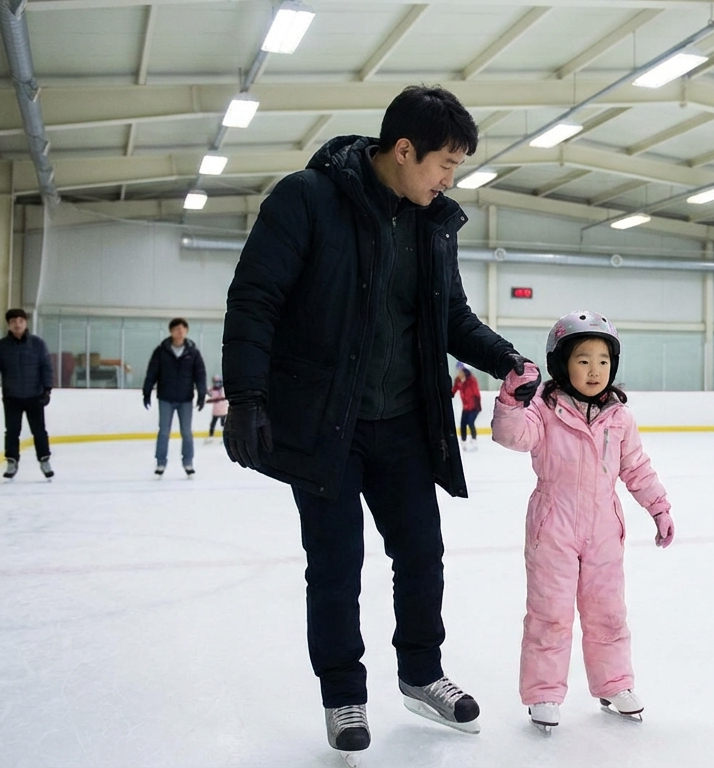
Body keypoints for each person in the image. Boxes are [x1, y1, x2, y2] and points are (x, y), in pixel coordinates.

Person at [220, 85, 537, 762]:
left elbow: (451, 317)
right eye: (445, 163)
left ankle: (421, 674)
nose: (451, 178)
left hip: (402, 422)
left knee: (421, 555)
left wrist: (501, 355)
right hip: (325, 424)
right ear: (403, 150)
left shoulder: (432, 224)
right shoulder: (306, 200)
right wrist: (247, 396)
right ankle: (343, 693)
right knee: (336, 566)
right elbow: (255, 299)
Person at [491, 311, 674, 733]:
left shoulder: (619, 417)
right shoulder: (543, 410)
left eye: (603, 361)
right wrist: (511, 402)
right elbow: (512, 436)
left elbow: (636, 468)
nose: (595, 371)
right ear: (560, 365)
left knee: (607, 612)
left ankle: (614, 684)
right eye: (583, 360)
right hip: (553, 524)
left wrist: (659, 508)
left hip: (604, 528)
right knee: (549, 613)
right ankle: (543, 693)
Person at [0, 308, 54, 480]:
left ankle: (44, 460)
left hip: (35, 396)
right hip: (12, 396)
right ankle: (12, 462)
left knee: (39, 431)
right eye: (13, 321)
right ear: (9, 324)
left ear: (25, 323)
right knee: (12, 431)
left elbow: (46, 367)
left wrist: (47, 389)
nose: (17, 324)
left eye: (20, 321)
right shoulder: (1, 346)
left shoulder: (38, 344)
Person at [142, 318, 206, 477]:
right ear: (171, 331)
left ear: (186, 331)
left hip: (185, 398)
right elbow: (152, 373)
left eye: (183, 329)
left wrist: (202, 393)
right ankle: (161, 463)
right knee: (164, 431)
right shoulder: (161, 351)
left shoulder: (193, 352)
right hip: (165, 397)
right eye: (177, 329)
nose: (180, 331)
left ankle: (188, 462)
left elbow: (200, 374)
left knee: (186, 432)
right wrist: (147, 391)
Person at [452, 362, 482, 451]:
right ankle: (464, 443)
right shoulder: (458, 380)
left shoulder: (471, 380)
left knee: (470, 422)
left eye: (460, 370)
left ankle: (474, 442)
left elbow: (476, 393)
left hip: (474, 407)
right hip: (466, 407)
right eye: (458, 370)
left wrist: (477, 406)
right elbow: (453, 391)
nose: (459, 372)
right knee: (463, 425)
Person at [205, 375, 228, 444]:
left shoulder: (223, 389)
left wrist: (212, 400)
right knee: (213, 424)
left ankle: (225, 437)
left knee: (223, 425)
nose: (217, 384)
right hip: (215, 411)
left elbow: (222, 398)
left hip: (223, 411)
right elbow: (209, 393)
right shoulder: (212, 389)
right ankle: (210, 436)